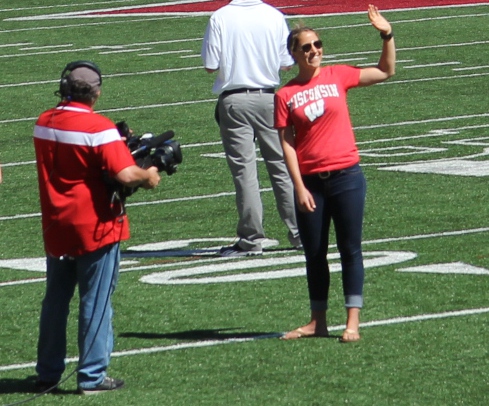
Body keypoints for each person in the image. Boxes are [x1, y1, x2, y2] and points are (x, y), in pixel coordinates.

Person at [33, 60, 160, 394]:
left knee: (55, 300)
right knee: (96, 300)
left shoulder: (43, 121)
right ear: (96, 92)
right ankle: (91, 375)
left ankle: (47, 371)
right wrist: (149, 175)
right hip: (95, 225)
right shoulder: (97, 128)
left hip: (56, 225)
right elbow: (125, 174)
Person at [274, 5, 396, 342]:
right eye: (306, 47)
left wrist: (386, 34)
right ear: (293, 54)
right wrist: (298, 186)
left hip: (347, 177)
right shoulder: (285, 94)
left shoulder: (338, 75)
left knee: (350, 249)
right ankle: (317, 322)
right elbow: (286, 144)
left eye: (318, 45)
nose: (314, 51)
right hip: (311, 184)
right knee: (314, 253)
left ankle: (352, 322)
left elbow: (386, 71)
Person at [201, 0, 301, 257]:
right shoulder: (274, 15)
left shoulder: (220, 17)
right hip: (269, 98)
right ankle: (301, 233)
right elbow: (286, 62)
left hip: (234, 99)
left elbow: (210, 64)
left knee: (245, 174)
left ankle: (251, 238)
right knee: (281, 167)